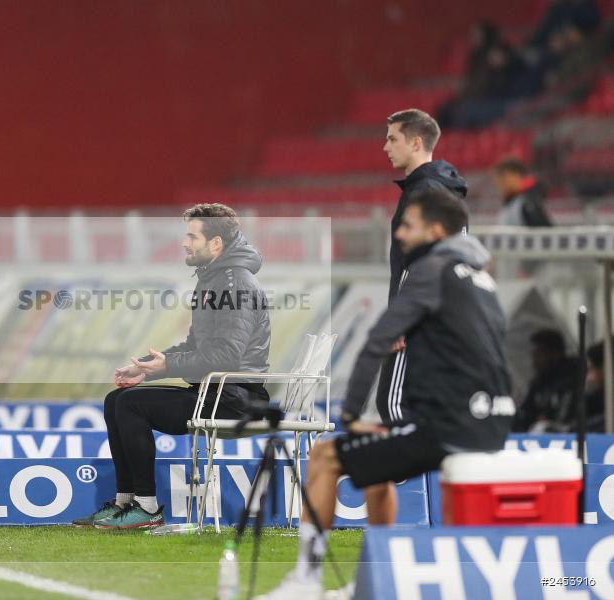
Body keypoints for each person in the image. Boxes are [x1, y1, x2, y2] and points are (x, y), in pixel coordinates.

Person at [258, 190, 512, 599]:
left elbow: (378, 341)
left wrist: (349, 415)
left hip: (448, 425)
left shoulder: (431, 270)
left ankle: (304, 582)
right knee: (377, 473)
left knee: (325, 455)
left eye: (408, 225)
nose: (400, 234)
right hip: (492, 422)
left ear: (436, 230)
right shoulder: (481, 278)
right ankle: (378, 581)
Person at [72, 203, 271, 530]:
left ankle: (147, 508)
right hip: (216, 393)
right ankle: (125, 502)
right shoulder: (214, 280)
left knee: (131, 404)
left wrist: (168, 366)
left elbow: (227, 356)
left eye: (192, 237)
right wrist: (148, 367)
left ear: (216, 244)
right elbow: (195, 346)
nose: (184, 243)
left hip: (236, 400)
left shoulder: (235, 284)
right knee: (115, 400)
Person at [368, 108, 468, 529]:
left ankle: (413, 508)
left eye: (392, 138)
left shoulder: (424, 190)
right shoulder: (444, 189)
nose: (385, 147)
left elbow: (421, 261)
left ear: (415, 142)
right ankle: (439, 505)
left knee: (393, 404)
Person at [512, 329, 584, 433]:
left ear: (555, 354)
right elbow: (526, 412)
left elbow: (565, 418)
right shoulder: (538, 383)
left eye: (538, 355)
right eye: (533, 355)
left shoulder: (573, 380)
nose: (534, 361)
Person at [494, 157, 553, 228]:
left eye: (503, 178)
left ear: (516, 175)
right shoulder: (511, 202)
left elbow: (544, 231)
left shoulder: (528, 203)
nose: (499, 183)